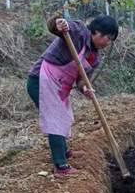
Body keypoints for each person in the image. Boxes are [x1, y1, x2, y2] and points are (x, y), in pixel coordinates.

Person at [27, 15, 118, 176]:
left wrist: (85, 89)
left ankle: (64, 151)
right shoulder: (79, 31)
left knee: (64, 117)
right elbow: (55, 26)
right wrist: (59, 23)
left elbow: (82, 81)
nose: (107, 43)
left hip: (60, 87)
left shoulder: (94, 57)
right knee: (55, 119)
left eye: (111, 40)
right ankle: (60, 166)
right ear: (97, 33)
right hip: (41, 80)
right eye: (108, 38)